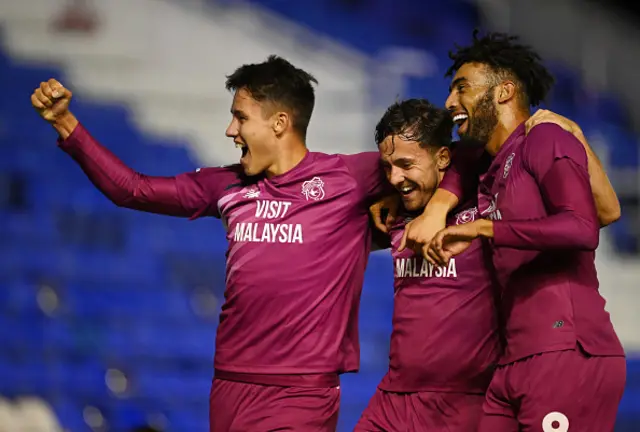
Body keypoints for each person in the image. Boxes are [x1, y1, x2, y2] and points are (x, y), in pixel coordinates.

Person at [31, 55, 390, 432]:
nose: (230, 129)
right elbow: (133, 190)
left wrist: (429, 212)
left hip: (301, 392)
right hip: (229, 387)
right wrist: (64, 122)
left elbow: (436, 164)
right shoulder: (225, 184)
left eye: (241, 117)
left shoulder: (349, 177)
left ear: (280, 123)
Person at [400, 31, 625, 432]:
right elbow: (458, 160)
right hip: (514, 360)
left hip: (565, 351)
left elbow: (581, 227)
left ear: (503, 92)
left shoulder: (545, 137)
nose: (450, 101)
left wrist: (485, 227)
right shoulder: (489, 162)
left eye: (462, 88)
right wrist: (436, 207)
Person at [356, 98, 501, 431]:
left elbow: (483, 148)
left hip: (464, 402)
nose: (394, 178)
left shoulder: (483, 209)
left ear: (443, 157)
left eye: (406, 164)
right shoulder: (392, 215)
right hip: (394, 398)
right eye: (388, 167)